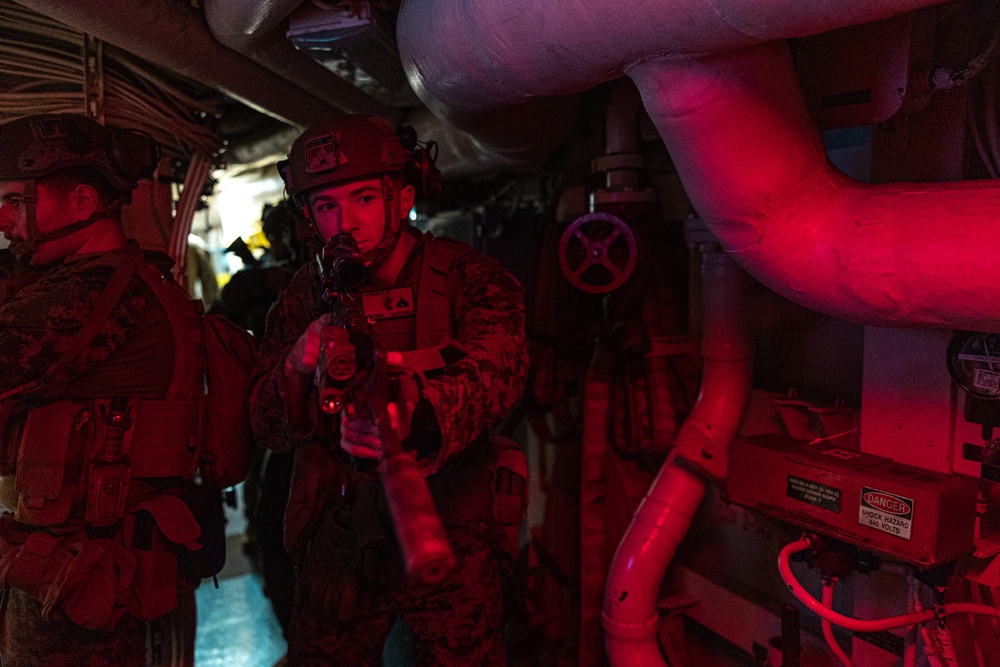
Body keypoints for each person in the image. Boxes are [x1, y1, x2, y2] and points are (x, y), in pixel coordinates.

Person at [248, 114, 528, 665]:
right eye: (326, 206)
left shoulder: (469, 277)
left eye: (363, 200)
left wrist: (418, 414)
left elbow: (501, 369)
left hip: (448, 527)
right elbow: (265, 426)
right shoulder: (305, 294)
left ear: (401, 200)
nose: (345, 223)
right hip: (341, 531)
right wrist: (296, 366)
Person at [0, 113, 209, 665]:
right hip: (96, 564)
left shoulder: (86, 295)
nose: (2, 220)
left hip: (80, 581)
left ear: (83, 203)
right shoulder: (133, 278)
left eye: (16, 201)